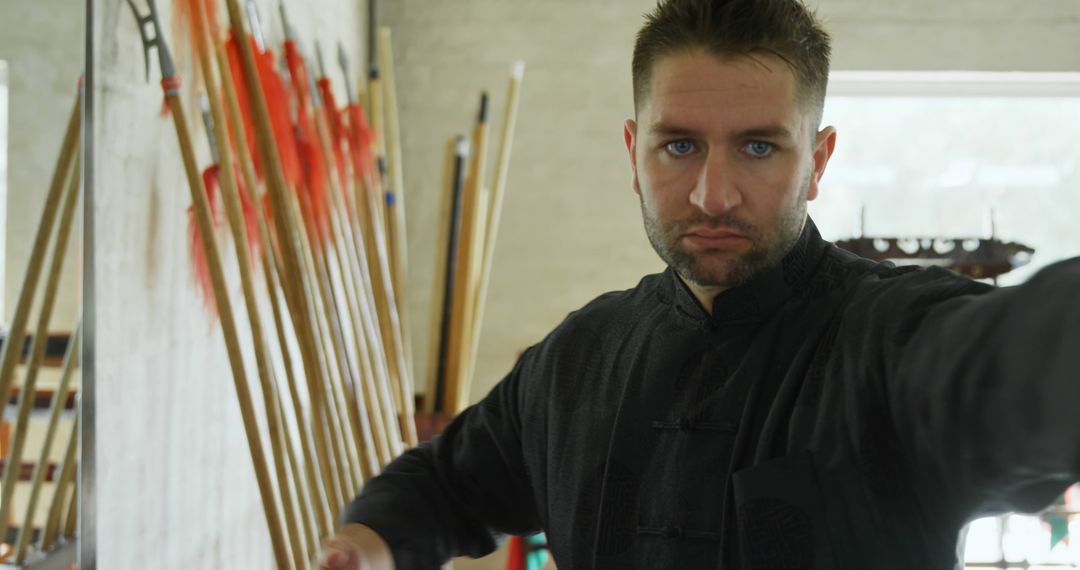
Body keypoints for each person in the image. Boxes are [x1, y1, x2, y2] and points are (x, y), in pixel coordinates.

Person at [319, 0, 1080, 568]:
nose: (713, 194)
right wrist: (368, 543)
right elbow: (448, 482)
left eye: (758, 147)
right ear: (633, 150)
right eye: (679, 144)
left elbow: (1019, 364)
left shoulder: (894, 339)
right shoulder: (578, 359)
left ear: (817, 161)